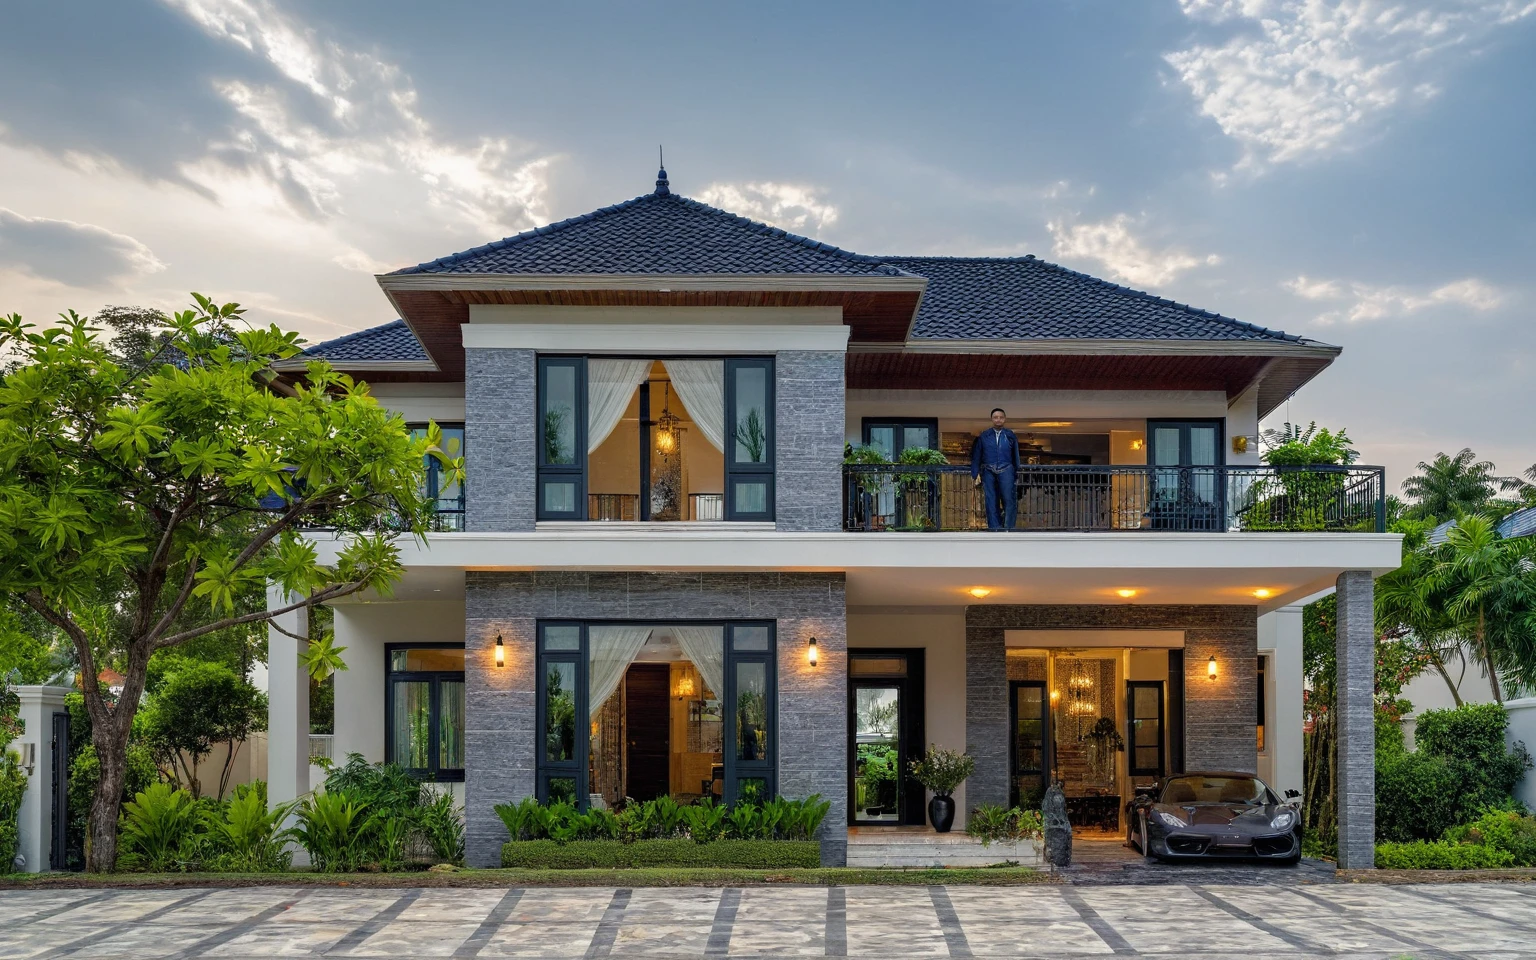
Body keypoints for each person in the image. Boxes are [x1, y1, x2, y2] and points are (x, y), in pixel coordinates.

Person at [970, 408, 1020, 530]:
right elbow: (977, 454)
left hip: (1007, 468)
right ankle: (994, 527)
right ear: (992, 419)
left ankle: (1009, 527)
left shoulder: (1010, 435)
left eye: (1001, 417)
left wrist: (1017, 471)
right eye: (996, 417)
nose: (998, 419)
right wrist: (975, 472)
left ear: (1004, 419)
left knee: (1009, 499)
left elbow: (1016, 455)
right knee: (991, 500)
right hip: (988, 470)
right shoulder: (984, 435)